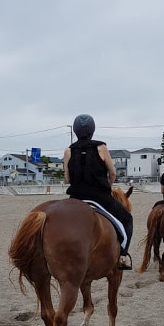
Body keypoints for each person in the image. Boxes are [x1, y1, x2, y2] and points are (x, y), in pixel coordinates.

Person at [63, 114, 133, 269]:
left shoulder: (68, 151)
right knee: (127, 219)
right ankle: (122, 256)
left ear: (75, 130)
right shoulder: (101, 147)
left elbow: (68, 179)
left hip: (75, 197)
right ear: (92, 130)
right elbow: (113, 173)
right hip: (99, 197)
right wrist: (108, 185)